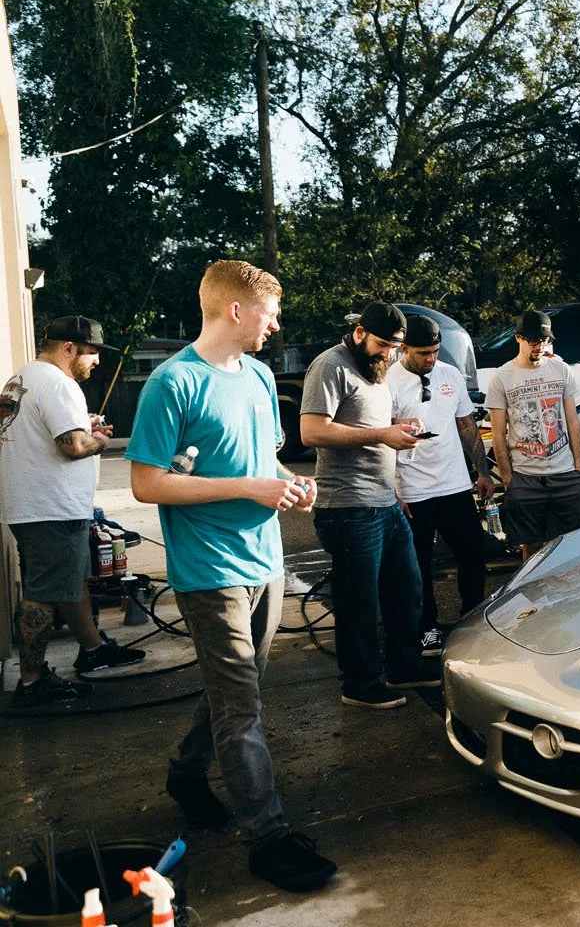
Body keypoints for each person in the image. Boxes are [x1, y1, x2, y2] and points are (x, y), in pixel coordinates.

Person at [126, 261, 336, 892]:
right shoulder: (172, 383)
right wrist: (249, 486)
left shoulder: (262, 376)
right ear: (236, 310)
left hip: (265, 561)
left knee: (234, 689)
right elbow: (146, 482)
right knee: (241, 705)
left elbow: (263, 454)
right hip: (208, 570)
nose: (275, 325)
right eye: (270, 313)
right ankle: (267, 836)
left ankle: (186, 773)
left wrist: (294, 486)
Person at [0, 315, 146, 706]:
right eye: (92, 352)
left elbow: (44, 434)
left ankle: (93, 648)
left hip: (31, 505)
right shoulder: (59, 384)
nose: (96, 361)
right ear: (69, 348)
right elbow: (74, 446)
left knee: (70, 580)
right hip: (51, 509)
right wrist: (98, 439)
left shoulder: (21, 378)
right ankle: (32, 682)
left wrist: (84, 427)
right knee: (44, 595)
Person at [301, 302, 439, 709]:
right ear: (360, 333)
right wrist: (383, 434)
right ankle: (359, 684)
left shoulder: (378, 371)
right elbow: (311, 431)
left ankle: (403, 667)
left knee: (407, 589)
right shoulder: (331, 365)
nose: (388, 354)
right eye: (383, 345)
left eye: (395, 347)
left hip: (383, 501)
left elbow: (370, 429)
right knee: (359, 601)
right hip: (348, 506)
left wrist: (398, 434)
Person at [387, 314, 494, 656]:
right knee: (419, 564)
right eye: (422, 353)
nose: (430, 359)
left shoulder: (449, 375)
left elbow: (465, 425)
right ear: (404, 349)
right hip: (412, 488)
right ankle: (426, 627)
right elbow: (381, 438)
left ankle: (473, 617)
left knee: (473, 554)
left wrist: (483, 471)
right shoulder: (388, 380)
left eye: (435, 352)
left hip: (453, 484)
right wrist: (393, 489)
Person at [484, 310, 580, 561]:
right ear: (518, 338)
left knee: (572, 544)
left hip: (564, 473)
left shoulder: (561, 369)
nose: (539, 346)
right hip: (526, 477)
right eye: (533, 341)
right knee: (530, 547)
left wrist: (579, 468)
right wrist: (508, 478)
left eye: (545, 341)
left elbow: (573, 421)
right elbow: (498, 433)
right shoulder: (502, 376)